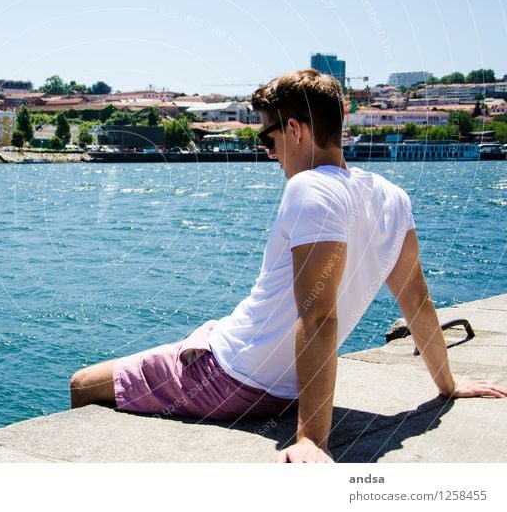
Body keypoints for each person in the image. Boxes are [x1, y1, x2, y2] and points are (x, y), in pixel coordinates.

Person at [70, 69, 507, 463]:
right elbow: (416, 299)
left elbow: (318, 313)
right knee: (209, 332)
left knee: (83, 383)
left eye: (268, 138)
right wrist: (447, 386)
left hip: (231, 376)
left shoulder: (309, 188)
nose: (269, 153)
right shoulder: (392, 197)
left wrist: (312, 439)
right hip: (285, 384)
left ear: (295, 130)